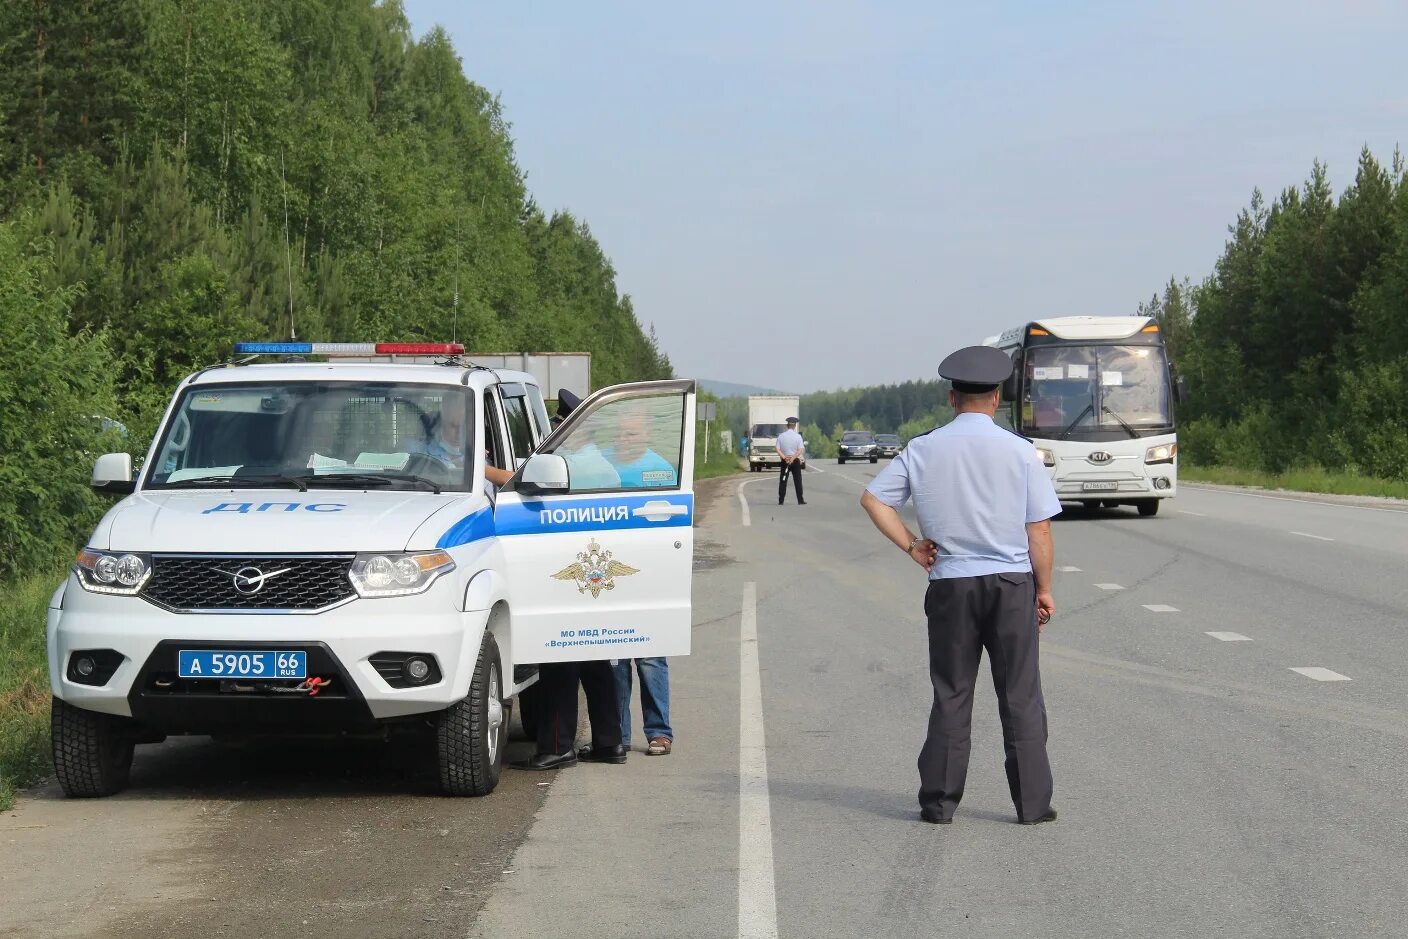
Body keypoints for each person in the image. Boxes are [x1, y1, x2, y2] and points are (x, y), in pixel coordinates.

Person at [859, 345, 1060, 826]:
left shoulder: (922, 448)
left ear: (952, 399)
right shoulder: (1020, 451)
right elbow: (1040, 530)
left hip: (951, 584)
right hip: (1011, 584)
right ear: (996, 398)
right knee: (1020, 695)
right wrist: (1044, 589)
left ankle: (939, 803)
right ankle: (1032, 805)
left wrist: (912, 545)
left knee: (952, 691)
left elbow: (873, 501)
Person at [511, 386, 628, 770]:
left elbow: (522, 486)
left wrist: (483, 470)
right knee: (596, 660)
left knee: (559, 659)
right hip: (594, 574)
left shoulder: (575, 463)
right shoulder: (601, 464)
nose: (556, 430)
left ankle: (557, 745)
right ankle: (611, 742)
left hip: (569, 575)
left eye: (561, 425)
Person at [776, 416, 806, 505]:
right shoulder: (798, 436)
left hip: (785, 461)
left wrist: (785, 458)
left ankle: (781, 500)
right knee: (798, 480)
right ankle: (800, 500)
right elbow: (800, 450)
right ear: (795, 426)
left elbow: (777, 449)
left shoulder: (781, 436)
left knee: (783, 480)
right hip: (795, 461)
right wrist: (792, 458)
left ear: (787, 425)